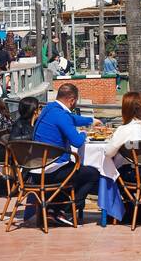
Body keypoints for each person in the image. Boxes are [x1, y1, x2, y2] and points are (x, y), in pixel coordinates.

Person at [31, 82, 102, 223]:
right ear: (72, 100)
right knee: (92, 174)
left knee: (74, 169)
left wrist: (90, 120)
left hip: (36, 169)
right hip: (52, 171)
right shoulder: (62, 115)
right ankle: (65, 210)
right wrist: (83, 132)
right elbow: (77, 141)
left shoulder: (49, 108)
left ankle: (52, 209)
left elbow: (71, 119)